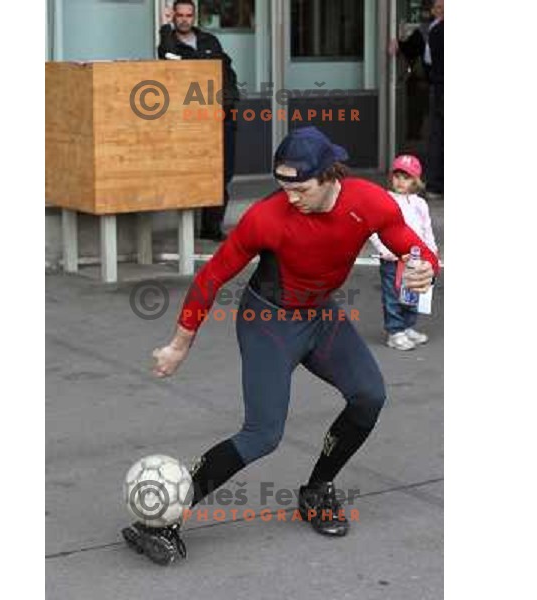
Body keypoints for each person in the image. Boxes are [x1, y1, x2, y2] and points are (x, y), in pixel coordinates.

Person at [122, 127, 438, 563]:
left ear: (330, 176)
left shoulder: (369, 202)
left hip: (320, 316)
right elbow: (212, 276)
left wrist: (426, 268)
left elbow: (412, 247)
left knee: (369, 397)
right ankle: (163, 518)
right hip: (267, 322)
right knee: (262, 434)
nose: (291, 197)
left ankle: (316, 489)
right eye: (284, 187)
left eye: (301, 188)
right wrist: (179, 344)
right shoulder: (266, 217)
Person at [157, 0, 240, 242]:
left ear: (194, 16)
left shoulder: (210, 41)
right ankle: (194, 227)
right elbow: (165, 58)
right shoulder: (169, 43)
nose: (184, 19)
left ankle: (211, 227)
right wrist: (164, 28)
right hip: (192, 119)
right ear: (173, 17)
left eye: (188, 15)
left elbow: (228, 70)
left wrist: (231, 98)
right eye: (179, 15)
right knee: (198, 170)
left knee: (224, 171)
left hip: (222, 114)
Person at [369, 155, 438, 351]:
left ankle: (408, 326)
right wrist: (384, 250)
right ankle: (395, 331)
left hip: (416, 258)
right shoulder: (385, 200)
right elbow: (374, 229)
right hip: (393, 258)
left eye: (406, 177)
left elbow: (426, 229)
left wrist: (431, 251)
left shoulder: (420, 204)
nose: (400, 181)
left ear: (415, 181)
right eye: (397, 176)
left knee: (413, 292)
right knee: (393, 295)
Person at [391, 0, 444, 197]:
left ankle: (436, 184)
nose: (439, 11)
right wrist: (399, 45)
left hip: (438, 85)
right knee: (437, 134)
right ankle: (436, 184)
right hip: (437, 86)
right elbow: (415, 49)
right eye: (436, 7)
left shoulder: (435, 30)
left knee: (438, 135)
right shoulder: (431, 29)